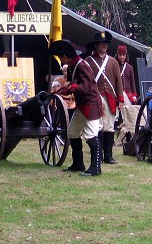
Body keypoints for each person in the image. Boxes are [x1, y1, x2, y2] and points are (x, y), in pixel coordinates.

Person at [49, 39, 103, 176]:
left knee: (91, 135)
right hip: (82, 104)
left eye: (61, 57)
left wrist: (72, 87)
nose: (61, 60)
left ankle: (95, 168)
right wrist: (64, 89)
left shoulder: (82, 65)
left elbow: (87, 87)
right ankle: (78, 164)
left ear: (65, 56)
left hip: (91, 104)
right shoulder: (74, 66)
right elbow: (74, 84)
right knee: (72, 132)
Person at [85, 31, 124, 164]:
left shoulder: (113, 61)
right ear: (96, 45)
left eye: (106, 44)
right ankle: (98, 156)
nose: (104, 46)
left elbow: (119, 81)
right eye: (102, 44)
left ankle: (108, 155)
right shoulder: (88, 61)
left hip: (110, 98)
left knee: (109, 127)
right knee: (97, 127)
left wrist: (120, 99)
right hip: (95, 97)